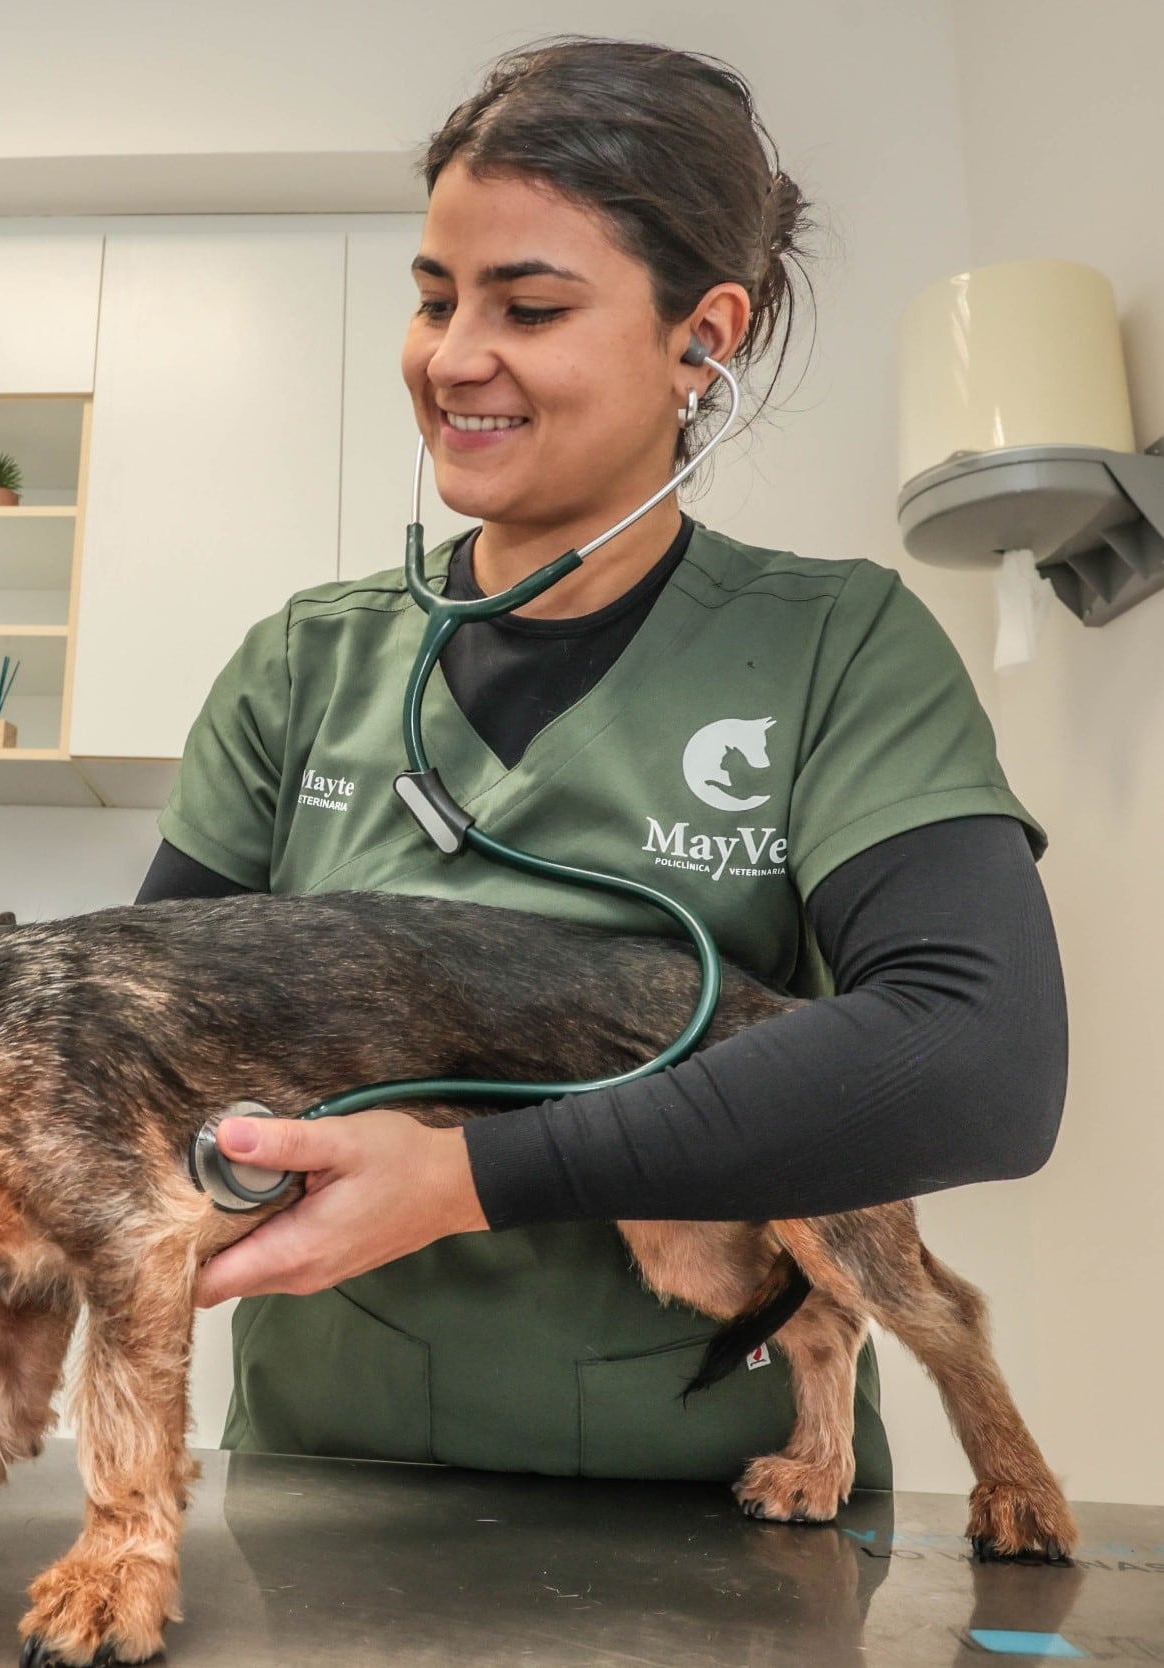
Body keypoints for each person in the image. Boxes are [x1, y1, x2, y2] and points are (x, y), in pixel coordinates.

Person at [143, 37, 1067, 1484]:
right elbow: (145, 1041)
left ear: (704, 338)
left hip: (712, 1500)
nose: (453, 358)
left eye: (531, 305)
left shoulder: (838, 649)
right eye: (436, 298)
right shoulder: (302, 666)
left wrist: (462, 1182)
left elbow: (979, 1062)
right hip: (327, 1483)